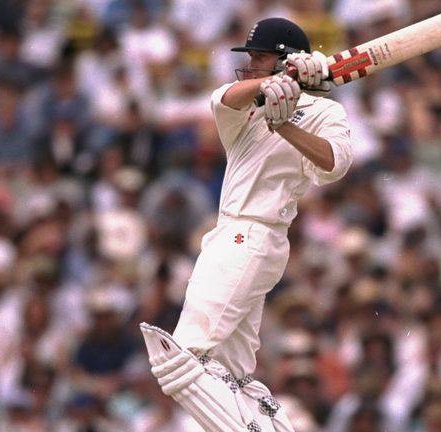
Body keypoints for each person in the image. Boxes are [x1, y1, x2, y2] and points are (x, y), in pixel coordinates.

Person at [140, 16, 353, 431]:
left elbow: (334, 164)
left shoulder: (327, 112)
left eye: (260, 58)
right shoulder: (246, 107)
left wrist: (284, 125)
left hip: (255, 233)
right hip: (230, 232)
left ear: (285, 59)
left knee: (181, 356)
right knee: (228, 373)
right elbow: (223, 99)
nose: (251, 65)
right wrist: (271, 85)